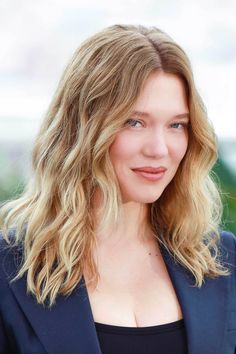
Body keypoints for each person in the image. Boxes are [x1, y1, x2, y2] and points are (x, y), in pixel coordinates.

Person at [0, 24, 235, 354]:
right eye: (134, 122)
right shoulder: (9, 268)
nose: (159, 149)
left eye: (176, 125)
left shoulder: (224, 262)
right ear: (84, 128)